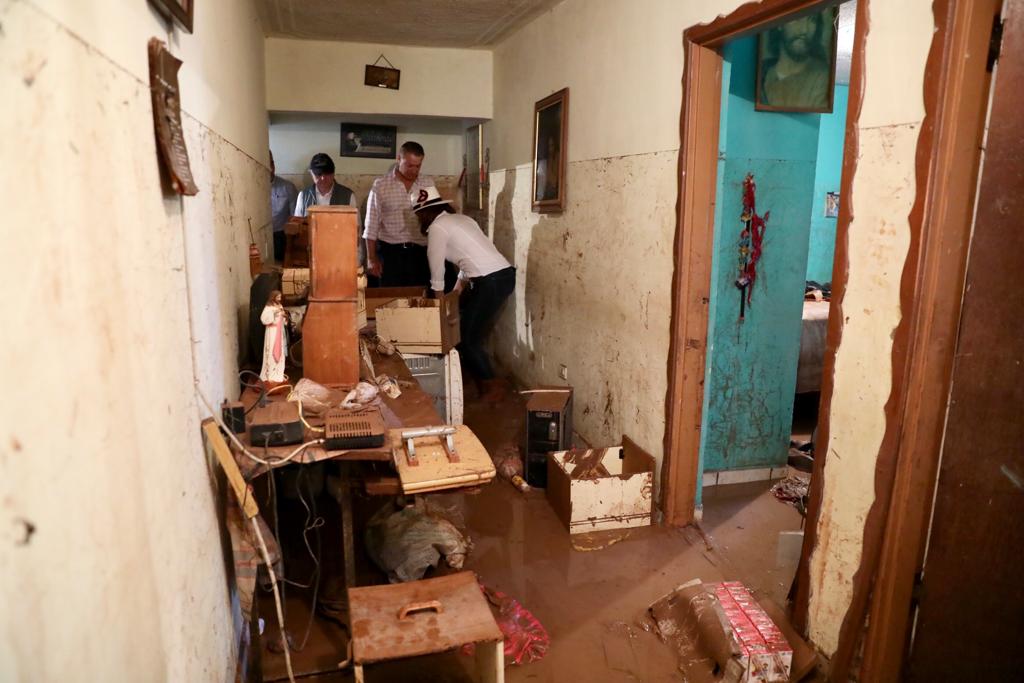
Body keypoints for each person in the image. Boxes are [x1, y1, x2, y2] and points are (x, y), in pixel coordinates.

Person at [412, 186, 515, 400]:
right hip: (503, 276)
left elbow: (437, 270)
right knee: (468, 332)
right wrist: (457, 289)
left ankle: (492, 388)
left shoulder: (437, 228)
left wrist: (440, 304)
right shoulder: (461, 219)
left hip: (489, 281)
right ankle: (477, 381)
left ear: (422, 213)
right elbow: (469, 257)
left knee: (467, 339)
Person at [363, 141, 435, 287]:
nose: (414, 171)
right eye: (409, 165)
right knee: (390, 297)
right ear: (398, 159)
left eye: (418, 166)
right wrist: (371, 258)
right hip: (390, 253)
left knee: (419, 297)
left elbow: (435, 220)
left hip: (420, 253)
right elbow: (371, 225)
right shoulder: (381, 185)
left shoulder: (427, 184)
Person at [760, 13, 831, 109]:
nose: (804, 30)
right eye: (797, 18)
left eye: (812, 20)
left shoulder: (822, 77)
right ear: (780, 23)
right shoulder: (762, 72)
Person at [293, 152, 357, 217]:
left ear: (333, 173)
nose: (323, 178)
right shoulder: (303, 196)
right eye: (319, 174)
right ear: (311, 173)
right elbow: (298, 222)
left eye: (327, 173)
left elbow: (356, 223)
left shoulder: (348, 196)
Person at [269, 151, 298, 263]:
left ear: (273, 165)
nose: (269, 169)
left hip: (281, 237)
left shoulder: (288, 187)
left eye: (270, 164)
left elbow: (295, 218)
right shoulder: (250, 187)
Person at [259, 290, 288, 385]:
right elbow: (264, 318)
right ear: (273, 297)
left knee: (280, 350)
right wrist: (274, 313)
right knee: (272, 350)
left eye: (280, 297)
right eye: (278, 297)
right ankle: (270, 375)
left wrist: (284, 316)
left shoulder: (280, 306)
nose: (279, 298)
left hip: (279, 330)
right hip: (272, 331)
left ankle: (278, 373)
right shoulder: (268, 307)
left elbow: (282, 318)